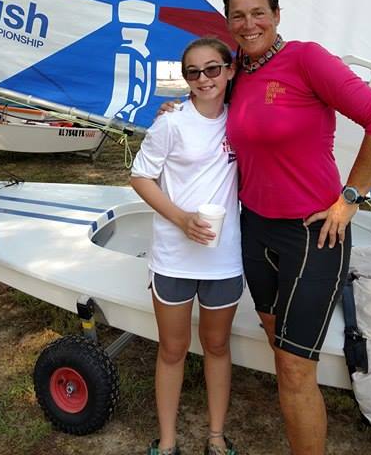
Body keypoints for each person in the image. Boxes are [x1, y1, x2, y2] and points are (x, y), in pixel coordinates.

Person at [220, 0, 371, 455]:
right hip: (254, 229)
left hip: (312, 234)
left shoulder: (306, 59)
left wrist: (351, 198)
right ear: (229, 23)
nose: (248, 22)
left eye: (258, 12)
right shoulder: (237, 73)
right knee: (281, 355)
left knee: (297, 367)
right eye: (237, 15)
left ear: (277, 16)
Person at [131, 37, 243, 455]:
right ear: (185, 79)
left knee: (217, 346)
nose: (203, 79)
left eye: (213, 69)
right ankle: (168, 440)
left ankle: (215, 436)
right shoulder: (171, 122)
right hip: (174, 258)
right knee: (173, 349)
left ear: (230, 71)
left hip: (223, 258)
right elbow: (140, 177)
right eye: (193, 72)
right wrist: (180, 219)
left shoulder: (243, 121)